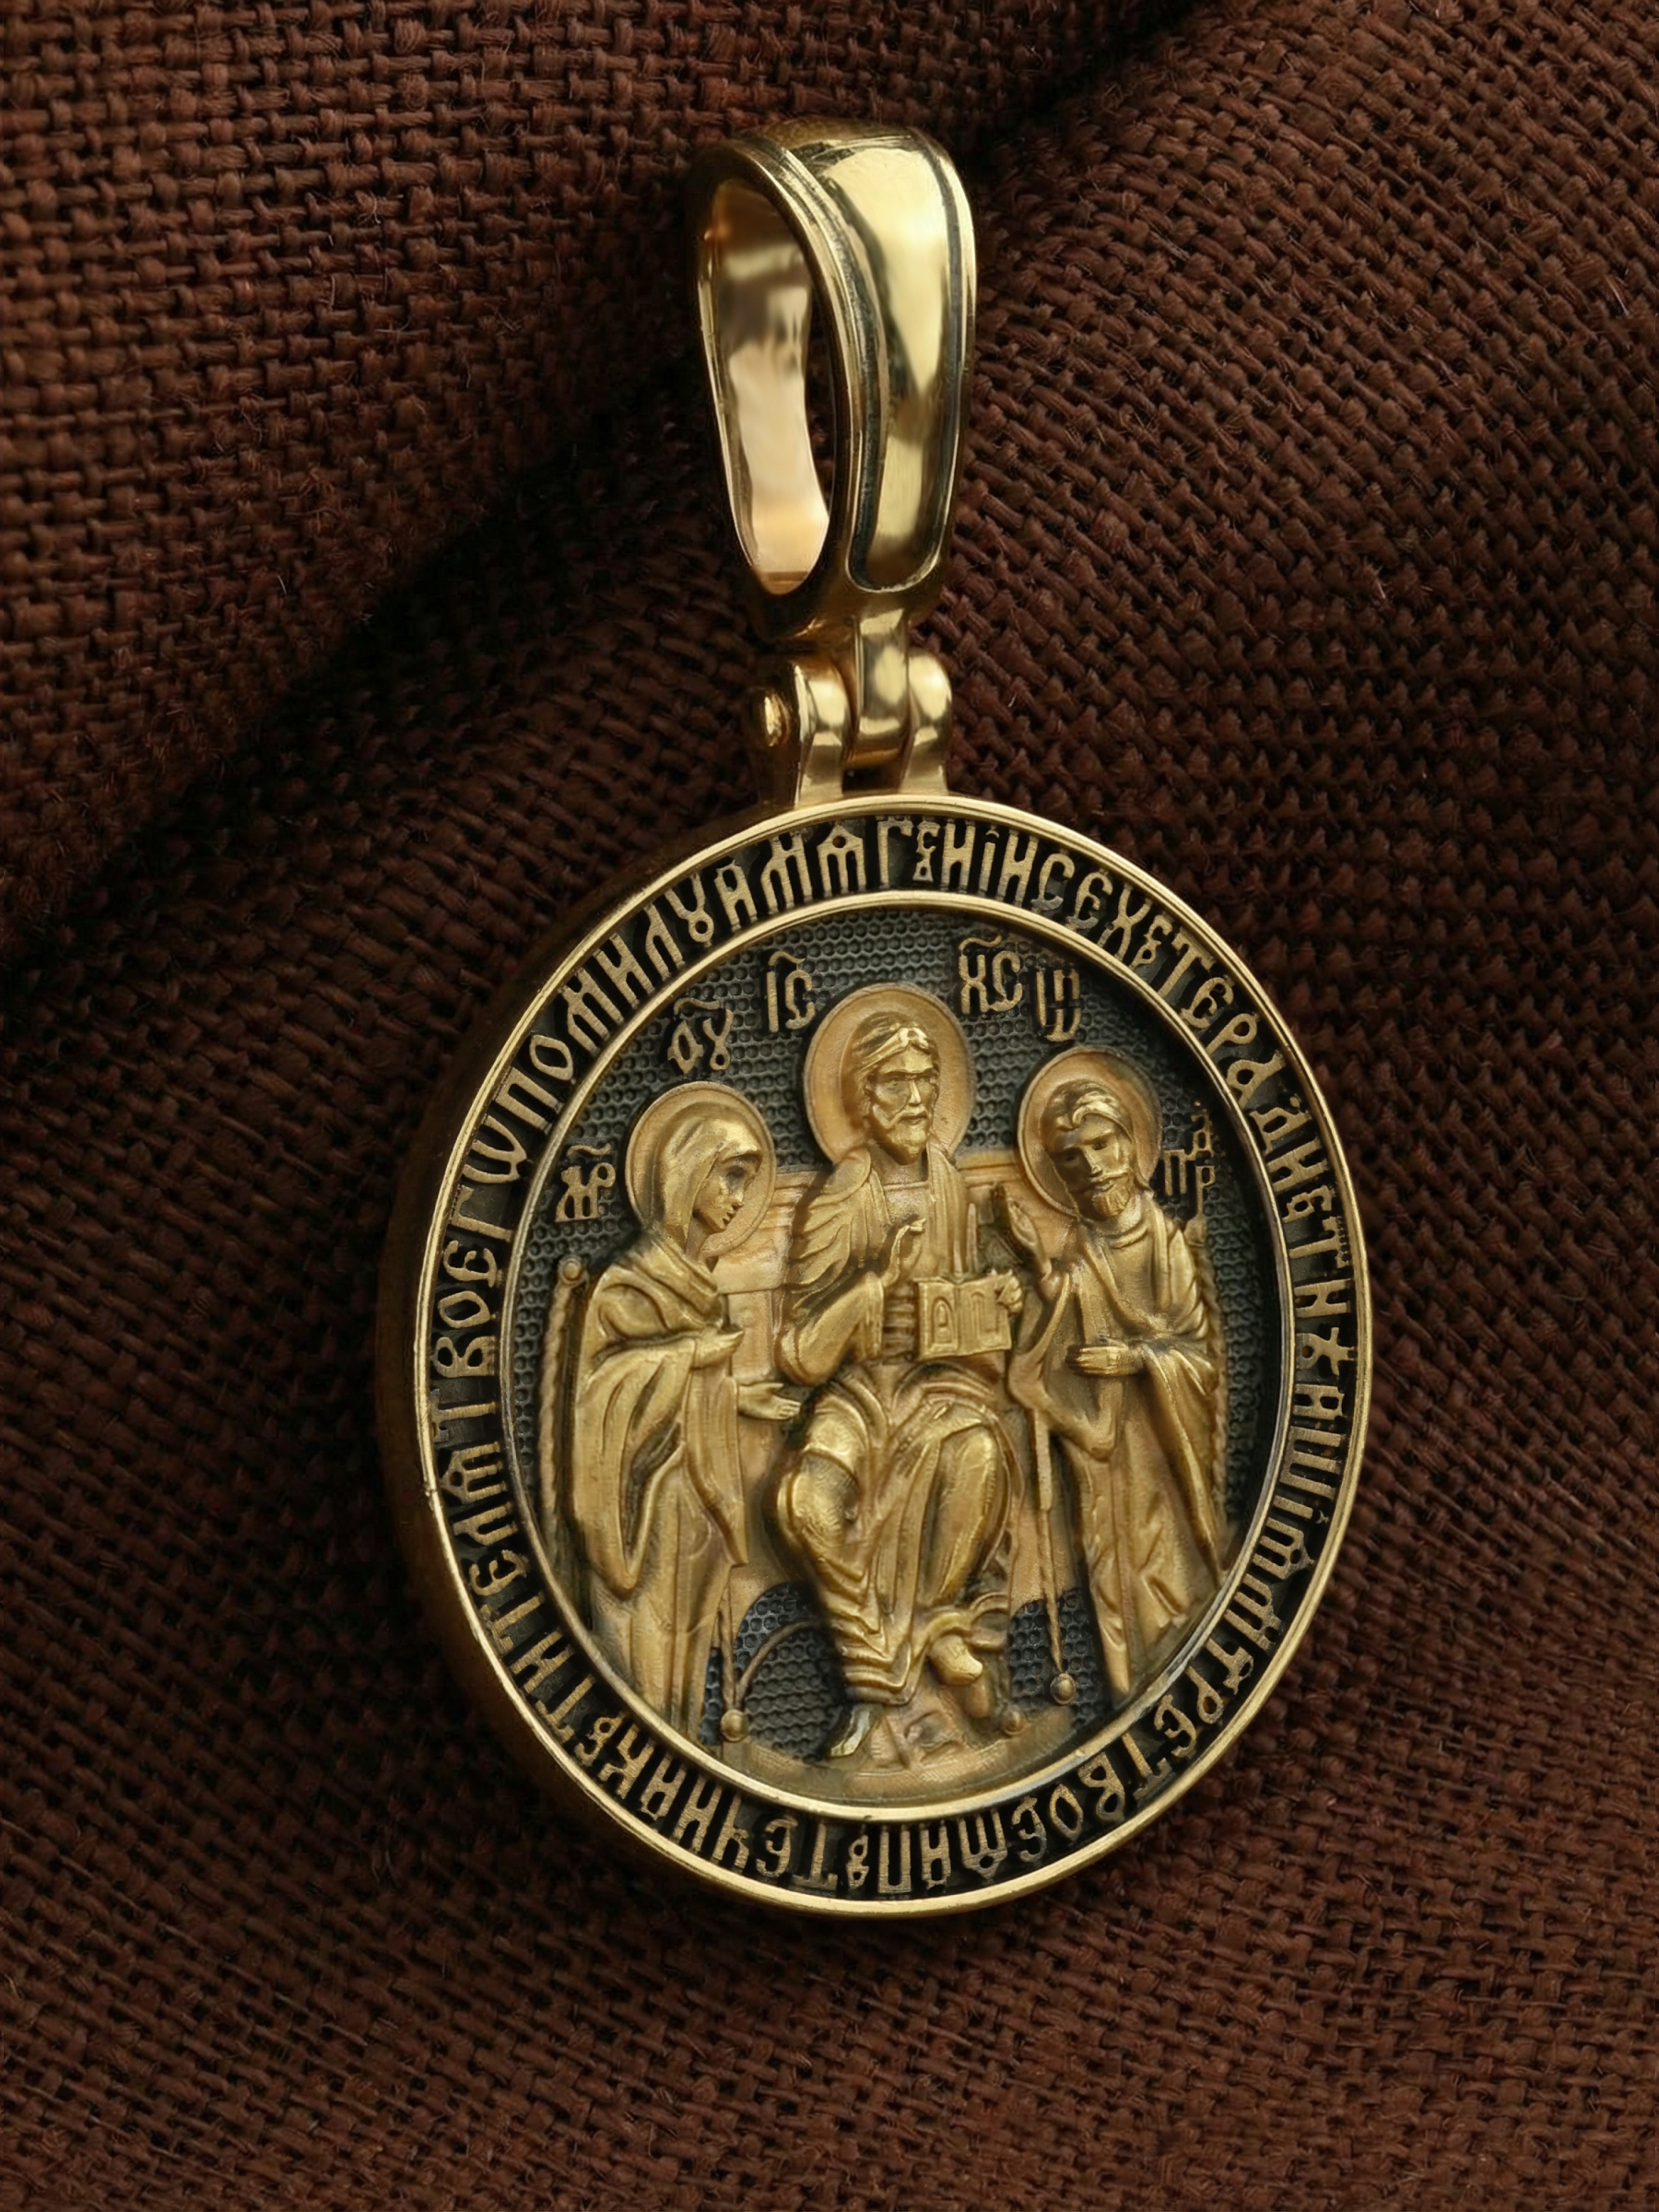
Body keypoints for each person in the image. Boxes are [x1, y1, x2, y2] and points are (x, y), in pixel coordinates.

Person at [774, 1002, 1023, 1759]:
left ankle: (932, 1628)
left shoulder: (948, 1181)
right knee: (807, 1505)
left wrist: (998, 1297)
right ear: (862, 1097)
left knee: (979, 1453)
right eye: (895, 1083)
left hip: (941, 1386)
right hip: (858, 1392)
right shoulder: (843, 1194)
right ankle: (890, 1663)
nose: (915, 1100)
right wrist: (873, 1287)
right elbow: (800, 1353)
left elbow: (974, 1284)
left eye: (925, 1081)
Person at [567, 1089, 782, 1737]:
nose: (739, 1198)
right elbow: (602, 1393)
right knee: (653, 1648)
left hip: (698, 1500)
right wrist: (691, 1356)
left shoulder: (696, 1278)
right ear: (689, 1174)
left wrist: (736, 1398)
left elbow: (689, 1390)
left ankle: (679, 1737)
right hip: (654, 1500)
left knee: (688, 1646)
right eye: (730, 1177)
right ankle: (645, 1735)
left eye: (746, 1182)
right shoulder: (628, 1284)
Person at [1006, 1072, 1226, 1702]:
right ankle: (1130, 1693)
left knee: (1158, 1563)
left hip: (1161, 1448)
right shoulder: (1082, 1244)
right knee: (1105, 1559)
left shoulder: (1165, 1243)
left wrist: (1135, 1360)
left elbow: (1199, 1359)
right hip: (1100, 1449)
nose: (1092, 1169)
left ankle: (1179, 1672)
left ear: (1131, 1146)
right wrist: (1037, 1265)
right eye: (1071, 1160)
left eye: (1102, 1146)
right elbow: (1070, 1305)